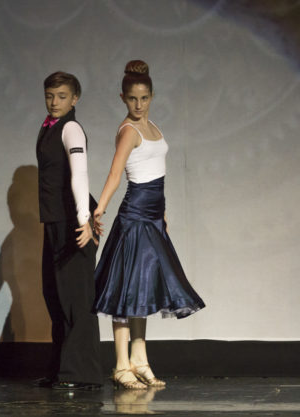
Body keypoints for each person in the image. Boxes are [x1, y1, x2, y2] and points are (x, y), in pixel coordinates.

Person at [93, 60, 205, 389]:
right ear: (122, 98)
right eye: (132, 99)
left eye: (143, 98)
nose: (138, 105)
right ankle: (121, 365)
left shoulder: (152, 126)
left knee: (142, 288)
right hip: (134, 218)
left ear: (152, 96)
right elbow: (116, 173)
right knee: (124, 289)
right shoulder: (129, 131)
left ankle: (139, 360)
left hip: (153, 218)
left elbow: (158, 173)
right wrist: (100, 208)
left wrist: (163, 213)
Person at [36, 71, 102, 390]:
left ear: (75, 99)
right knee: (56, 295)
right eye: (50, 96)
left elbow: (80, 174)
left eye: (62, 96)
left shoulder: (71, 128)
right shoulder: (49, 127)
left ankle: (81, 373)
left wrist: (83, 218)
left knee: (77, 297)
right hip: (55, 220)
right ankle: (62, 369)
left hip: (73, 222)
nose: (54, 102)